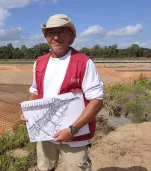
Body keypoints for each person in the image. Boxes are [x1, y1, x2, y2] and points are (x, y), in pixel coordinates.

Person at [20, 14, 104, 171]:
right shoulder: (39, 62)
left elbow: (97, 101)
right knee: (45, 168)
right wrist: (28, 111)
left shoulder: (84, 62)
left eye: (62, 31)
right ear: (46, 36)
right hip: (45, 134)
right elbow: (34, 90)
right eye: (51, 32)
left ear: (71, 35)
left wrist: (72, 129)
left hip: (75, 137)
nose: (56, 37)